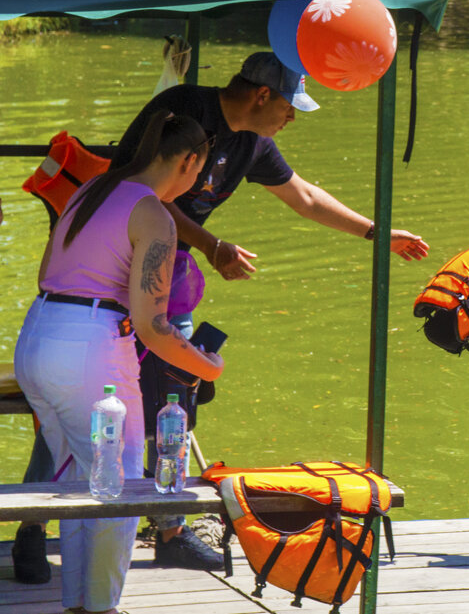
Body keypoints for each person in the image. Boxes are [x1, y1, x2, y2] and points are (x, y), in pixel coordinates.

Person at [14, 51, 429, 575]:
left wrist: (377, 232)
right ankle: (33, 530)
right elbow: (143, 190)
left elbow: (302, 195)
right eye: (288, 106)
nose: (292, 117)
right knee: (82, 426)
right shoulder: (185, 112)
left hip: (164, 284)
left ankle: (169, 529)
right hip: (122, 277)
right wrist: (210, 244)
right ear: (262, 95)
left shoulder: (253, 142)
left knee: (173, 410)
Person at [14, 111, 224, 614]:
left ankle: (80, 605)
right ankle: (103, 606)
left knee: (75, 480)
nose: (202, 181)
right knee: (120, 481)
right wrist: (205, 365)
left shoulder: (90, 190)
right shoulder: (153, 213)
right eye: (203, 170)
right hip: (88, 350)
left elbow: (48, 272)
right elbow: (152, 324)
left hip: (37, 337)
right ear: (190, 160)